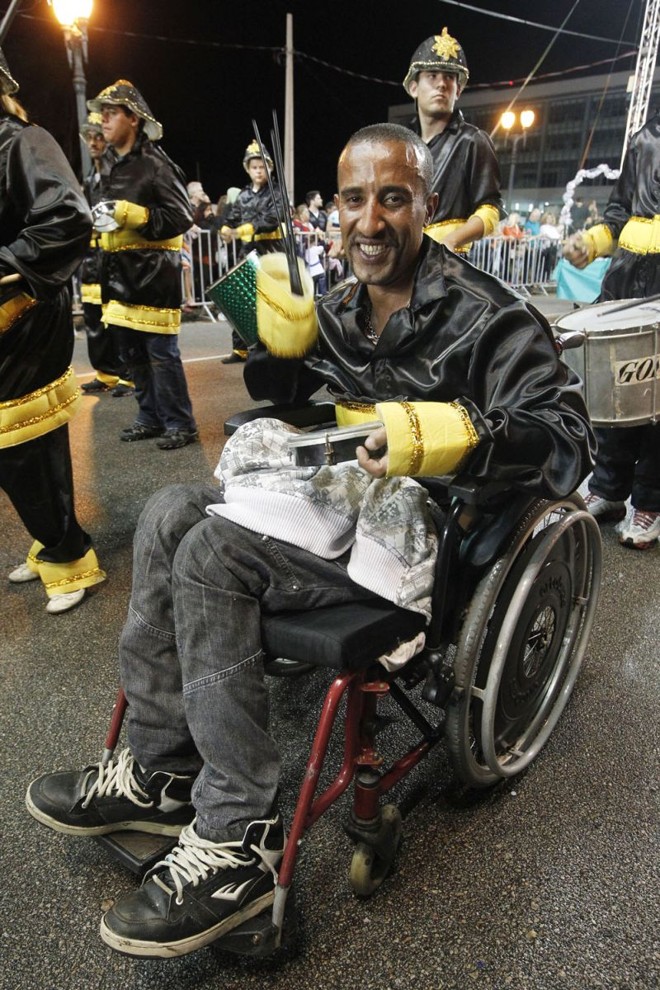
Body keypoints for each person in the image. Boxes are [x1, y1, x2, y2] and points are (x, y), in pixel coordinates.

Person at [25, 123, 593, 958]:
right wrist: (277, 355)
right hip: (336, 511)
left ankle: (237, 841)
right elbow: (295, 410)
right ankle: (161, 768)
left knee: (210, 556)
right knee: (168, 513)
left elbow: (567, 437)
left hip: (427, 545)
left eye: (393, 199)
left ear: (427, 206)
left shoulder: (492, 319)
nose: (369, 220)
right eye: (354, 200)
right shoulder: (336, 309)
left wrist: (459, 432)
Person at [0, 48, 106, 614]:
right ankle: (52, 538)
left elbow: (67, 216)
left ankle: (69, 556)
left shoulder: (21, 140)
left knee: (23, 447)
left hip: (22, 318)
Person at [564, 110, 660, 548]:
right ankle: (608, 488)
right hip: (626, 279)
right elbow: (620, 211)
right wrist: (593, 243)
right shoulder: (645, 135)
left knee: (657, 403)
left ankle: (650, 503)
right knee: (618, 390)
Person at [88, 80, 197, 450]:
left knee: (161, 355)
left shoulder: (156, 165)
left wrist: (134, 215)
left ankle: (180, 423)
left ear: (133, 119)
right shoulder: (110, 166)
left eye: (111, 112)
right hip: (118, 275)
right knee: (131, 354)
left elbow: (181, 216)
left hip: (152, 275)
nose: (103, 120)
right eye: (101, 113)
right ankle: (149, 416)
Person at [403, 27, 504, 253]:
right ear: (413, 87)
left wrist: (452, 240)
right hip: (401, 259)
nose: (442, 84)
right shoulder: (400, 142)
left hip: (447, 267)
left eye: (449, 77)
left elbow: (491, 209)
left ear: (458, 90)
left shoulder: (473, 140)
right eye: (432, 76)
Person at [78, 112, 133, 397]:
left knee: (118, 319)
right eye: (89, 138)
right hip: (91, 257)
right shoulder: (91, 176)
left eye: (98, 136)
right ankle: (106, 373)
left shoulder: (118, 171)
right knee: (94, 318)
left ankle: (128, 375)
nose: (93, 142)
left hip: (115, 256)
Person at [219, 140, 286, 363]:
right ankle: (241, 348)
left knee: (269, 299)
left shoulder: (277, 192)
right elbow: (232, 216)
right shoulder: (244, 194)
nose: (258, 171)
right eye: (254, 167)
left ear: (270, 167)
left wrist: (247, 229)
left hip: (270, 252)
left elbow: (273, 219)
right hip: (246, 252)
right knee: (240, 298)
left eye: (262, 166)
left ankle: (273, 346)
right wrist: (226, 228)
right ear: (248, 169)